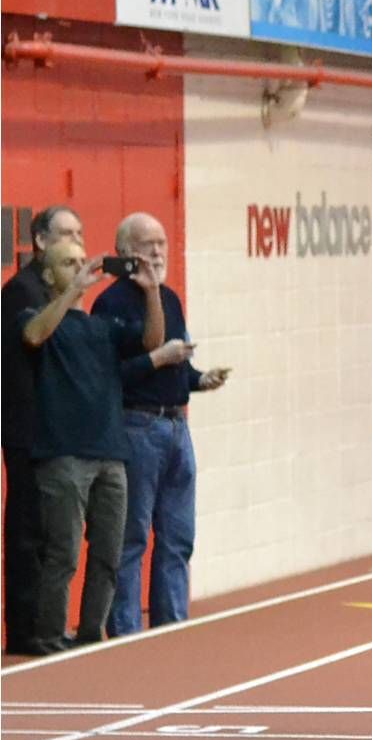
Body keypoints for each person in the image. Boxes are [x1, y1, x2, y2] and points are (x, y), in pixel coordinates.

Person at [17, 240, 188, 654]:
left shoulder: (101, 326)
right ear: (48, 274)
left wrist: (150, 291)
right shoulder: (37, 317)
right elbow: (35, 335)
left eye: (81, 260)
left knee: (109, 552)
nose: (80, 267)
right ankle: (49, 635)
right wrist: (74, 289)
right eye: (68, 263)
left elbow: (152, 340)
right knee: (64, 552)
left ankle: (92, 633)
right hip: (64, 453)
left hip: (110, 451)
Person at [92, 213, 231, 637]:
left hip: (176, 426)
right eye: (147, 245)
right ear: (125, 253)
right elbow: (111, 377)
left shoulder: (170, 298)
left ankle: (173, 625)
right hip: (138, 426)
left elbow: (177, 364)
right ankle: (126, 630)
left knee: (177, 536)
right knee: (132, 536)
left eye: (162, 243)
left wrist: (198, 379)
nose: (157, 252)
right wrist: (158, 358)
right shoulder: (110, 304)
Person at [2, 206, 83, 654]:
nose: (75, 241)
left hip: (51, 427)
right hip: (26, 426)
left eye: (80, 232)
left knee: (50, 532)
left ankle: (45, 624)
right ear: (39, 241)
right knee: (29, 528)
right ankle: (25, 629)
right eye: (65, 233)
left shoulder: (59, 290)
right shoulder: (22, 291)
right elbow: (31, 345)